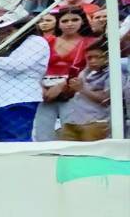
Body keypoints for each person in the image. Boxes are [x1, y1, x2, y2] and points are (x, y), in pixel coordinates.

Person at [0, 11, 50, 141]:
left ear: (23, 28)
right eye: (2, 32)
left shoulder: (36, 41)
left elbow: (19, 65)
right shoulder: (2, 46)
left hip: (18, 100)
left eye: (9, 31)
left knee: (15, 141)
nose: (4, 35)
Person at [35, 7, 96, 141]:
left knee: (71, 131)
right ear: (58, 23)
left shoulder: (90, 42)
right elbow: (35, 66)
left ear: (82, 21)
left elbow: (92, 68)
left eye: (75, 19)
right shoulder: (47, 41)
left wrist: (62, 86)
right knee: (41, 132)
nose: (70, 24)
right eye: (65, 20)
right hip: (44, 91)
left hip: (76, 89)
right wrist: (40, 87)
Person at [57, 45, 111, 141]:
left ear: (107, 57)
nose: (93, 61)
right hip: (73, 121)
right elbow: (73, 92)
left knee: (91, 153)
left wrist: (82, 89)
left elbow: (106, 99)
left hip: (96, 122)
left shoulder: (112, 73)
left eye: (98, 57)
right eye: (89, 58)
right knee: (68, 152)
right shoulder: (84, 72)